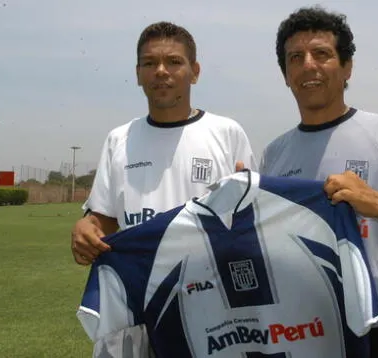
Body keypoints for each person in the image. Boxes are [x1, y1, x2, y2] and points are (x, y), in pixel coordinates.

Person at [257, 6, 378, 358]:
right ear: (286, 74)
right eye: (295, 58)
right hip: (304, 333)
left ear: (347, 67)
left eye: (322, 54)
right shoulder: (275, 154)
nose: (308, 66)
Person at [71, 21, 257, 357]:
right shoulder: (119, 139)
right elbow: (103, 220)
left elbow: (252, 221)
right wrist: (87, 228)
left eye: (174, 62)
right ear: (138, 73)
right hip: (140, 305)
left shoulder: (227, 133)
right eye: (149, 63)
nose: (161, 71)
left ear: (194, 71)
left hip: (214, 307)